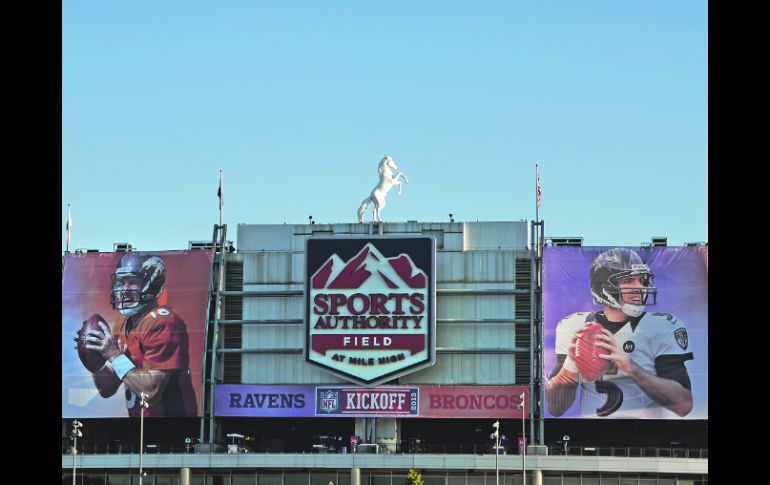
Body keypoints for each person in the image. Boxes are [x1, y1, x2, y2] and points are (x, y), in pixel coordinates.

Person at [546, 248, 694, 418]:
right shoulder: (577, 328)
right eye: (629, 280)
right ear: (605, 288)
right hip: (591, 436)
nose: (640, 287)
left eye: (642, 280)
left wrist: (631, 368)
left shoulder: (660, 326)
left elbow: (684, 405)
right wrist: (570, 367)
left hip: (646, 435)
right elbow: (556, 408)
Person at [75, 253, 197, 417]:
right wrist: (94, 356)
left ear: (151, 284)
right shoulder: (124, 322)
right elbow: (107, 388)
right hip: (139, 424)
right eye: (121, 282)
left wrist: (113, 354)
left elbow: (150, 391)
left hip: (171, 424)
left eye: (132, 282)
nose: (124, 290)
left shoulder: (163, 322)